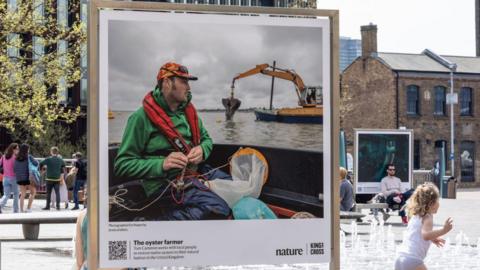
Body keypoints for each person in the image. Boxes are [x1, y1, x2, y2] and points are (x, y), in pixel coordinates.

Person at [113, 61, 230, 221]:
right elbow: (122, 165)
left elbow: (207, 140)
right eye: (183, 82)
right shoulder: (140, 118)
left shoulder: (189, 112)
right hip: (164, 184)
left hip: (195, 172)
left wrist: (202, 150)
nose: (188, 88)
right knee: (218, 209)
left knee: (232, 185)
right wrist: (162, 164)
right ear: (167, 82)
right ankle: (150, 224)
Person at [395, 182, 453, 270]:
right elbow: (425, 235)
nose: (439, 203)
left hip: (399, 258)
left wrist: (433, 238)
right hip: (412, 260)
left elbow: (416, 232)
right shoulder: (427, 217)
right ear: (431, 203)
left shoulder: (415, 215)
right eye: (438, 200)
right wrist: (444, 230)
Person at [13, 144, 39, 213]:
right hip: (28, 177)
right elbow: (36, 163)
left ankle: (21, 210)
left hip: (20, 178)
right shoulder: (29, 157)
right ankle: (28, 208)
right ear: (27, 150)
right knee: (33, 192)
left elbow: (14, 168)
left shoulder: (16, 158)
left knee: (22, 194)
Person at [40, 146, 66, 210]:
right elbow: (63, 165)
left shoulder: (48, 159)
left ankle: (47, 206)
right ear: (57, 152)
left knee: (48, 193)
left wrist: (42, 170)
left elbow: (41, 163)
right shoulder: (60, 160)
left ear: (51, 152)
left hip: (49, 178)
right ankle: (58, 206)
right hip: (57, 179)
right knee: (57, 193)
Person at [0, 143, 20, 213]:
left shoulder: (3, 156)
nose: (18, 150)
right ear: (13, 149)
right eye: (17, 149)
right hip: (14, 178)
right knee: (16, 194)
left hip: (5, 178)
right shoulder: (15, 158)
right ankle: (15, 210)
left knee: (6, 195)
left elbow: (0, 165)